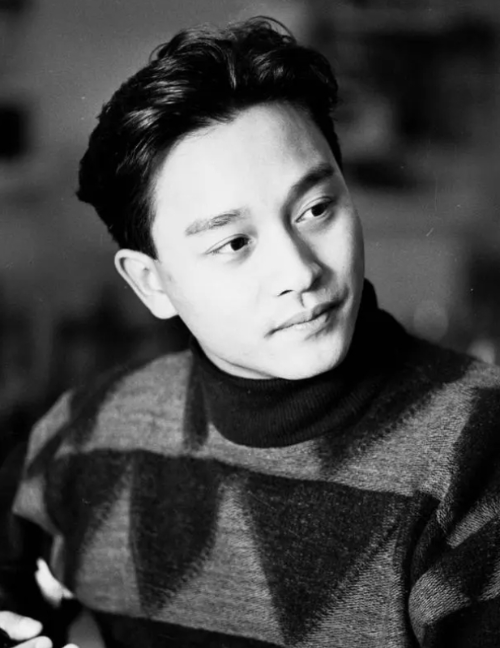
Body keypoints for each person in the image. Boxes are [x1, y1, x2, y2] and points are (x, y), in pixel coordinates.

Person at [1, 16, 500, 648]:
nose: (300, 271)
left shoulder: (476, 447)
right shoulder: (85, 435)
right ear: (152, 283)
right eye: (234, 243)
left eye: (316, 209)